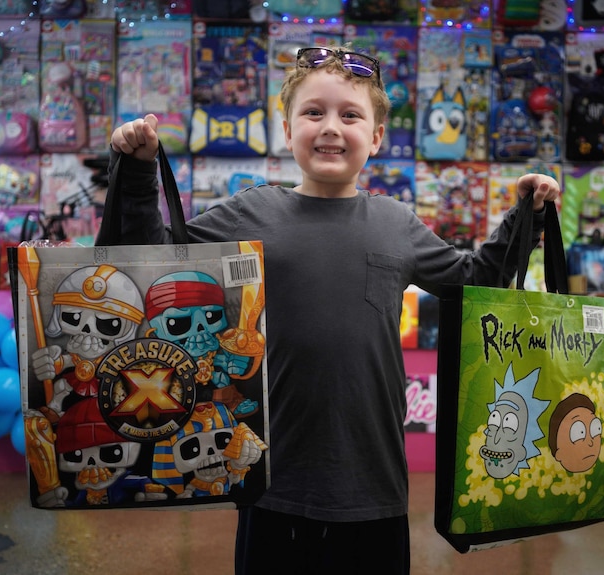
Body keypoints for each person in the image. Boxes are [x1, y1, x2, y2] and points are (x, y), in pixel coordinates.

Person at [106, 46, 561, 575]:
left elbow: (472, 281)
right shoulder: (249, 213)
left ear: (376, 137)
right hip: (270, 480)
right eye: (313, 112)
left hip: (372, 480)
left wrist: (525, 218)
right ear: (286, 127)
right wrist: (138, 171)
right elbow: (152, 262)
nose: (331, 127)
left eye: (350, 115)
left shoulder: (396, 223)